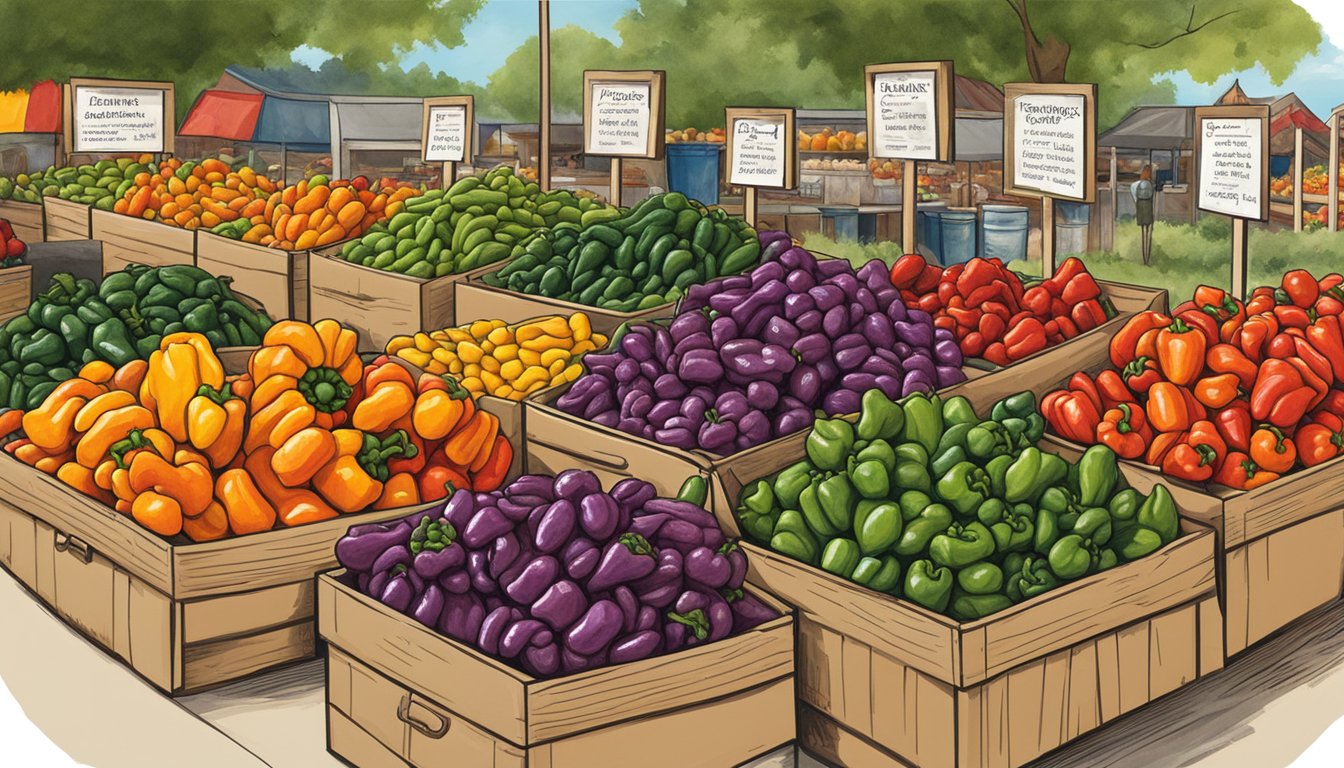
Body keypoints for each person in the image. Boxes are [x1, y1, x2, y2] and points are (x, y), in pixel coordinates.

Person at [1131, 165, 1155, 265]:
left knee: (1143, 231)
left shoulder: (1137, 184)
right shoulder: (1150, 184)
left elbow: (1133, 193)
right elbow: (1151, 195)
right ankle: (1146, 258)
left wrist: (1137, 202)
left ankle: (1144, 258)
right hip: (1147, 205)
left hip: (1141, 205)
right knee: (1148, 231)